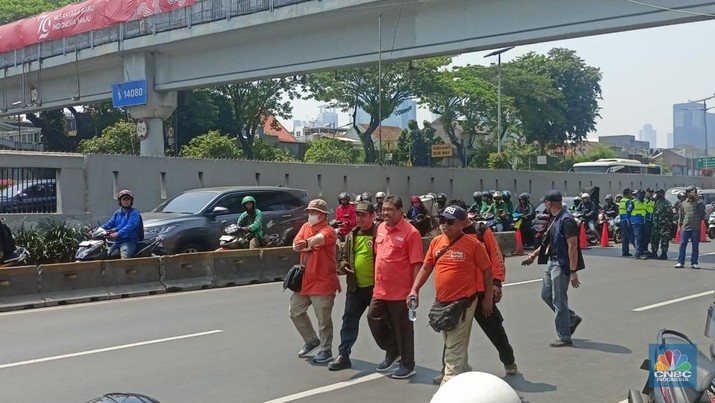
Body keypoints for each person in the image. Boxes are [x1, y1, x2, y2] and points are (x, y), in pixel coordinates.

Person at [432, 199, 518, 383]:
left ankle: (508, 360)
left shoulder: (481, 231)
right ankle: (449, 370)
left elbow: (496, 257)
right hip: (461, 295)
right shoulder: (449, 236)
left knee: (494, 329)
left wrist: (496, 284)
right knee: (452, 331)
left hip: (481, 291)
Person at [409, 205, 492, 385]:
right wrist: (414, 289)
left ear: (462, 224)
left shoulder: (473, 244)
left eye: (450, 222)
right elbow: (426, 267)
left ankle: (450, 381)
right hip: (442, 302)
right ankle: (463, 372)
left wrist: (488, 298)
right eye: (443, 221)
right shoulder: (436, 242)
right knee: (450, 340)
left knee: (454, 345)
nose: (445, 225)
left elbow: (487, 271)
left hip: (463, 303)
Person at [367, 195, 424, 379]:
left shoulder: (411, 233)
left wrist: (414, 290)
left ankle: (408, 364)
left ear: (400, 211)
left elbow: (416, 264)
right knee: (373, 318)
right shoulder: (381, 228)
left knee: (403, 330)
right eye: (384, 209)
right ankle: (393, 350)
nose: (386, 213)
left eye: (390, 210)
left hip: (401, 292)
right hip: (381, 289)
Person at [521, 190, 584, 347]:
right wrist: (534, 255)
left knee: (559, 300)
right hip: (551, 262)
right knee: (546, 295)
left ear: (550, 203)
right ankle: (572, 318)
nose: (544, 205)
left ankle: (564, 336)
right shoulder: (554, 219)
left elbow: (573, 247)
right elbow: (547, 243)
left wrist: (573, 271)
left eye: (545, 203)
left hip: (562, 265)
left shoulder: (566, 220)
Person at [290, 199, 340, 364]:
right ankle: (311, 340)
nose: (311, 215)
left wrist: (307, 244)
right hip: (305, 279)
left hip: (323, 281)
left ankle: (326, 350)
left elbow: (320, 238)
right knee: (295, 311)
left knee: (323, 320)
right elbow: (296, 244)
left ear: (323, 215)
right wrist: (305, 245)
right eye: (310, 212)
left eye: (314, 212)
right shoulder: (305, 227)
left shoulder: (329, 231)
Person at [329, 201, 377, 371]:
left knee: (380, 321)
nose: (360, 218)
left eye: (364, 215)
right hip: (355, 287)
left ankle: (394, 353)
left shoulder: (379, 234)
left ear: (373, 216)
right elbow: (342, 256)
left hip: (376, 288)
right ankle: (343, 354)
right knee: (349, 320)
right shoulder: (352, 235)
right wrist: (343, 265)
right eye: (358, 215)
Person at [101, 189, 142, 259]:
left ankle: (128, 270)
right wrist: (98, 229)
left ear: (131, 201)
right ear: (120, 201)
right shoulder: (117, 213)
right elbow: (109, 224)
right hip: (117, 241)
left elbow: (131, 225)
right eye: (124, 199)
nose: (126, 201)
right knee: (106, 255)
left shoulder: (134, 212)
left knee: (124, 259)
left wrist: (117, 234)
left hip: (129, 241)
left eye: (128, 199)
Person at [676, 186, 705, 269]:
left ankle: (694, 262)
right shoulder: (684, 203)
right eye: (688, 192)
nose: (690, 194)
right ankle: (680, 262)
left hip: (695, 227)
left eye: (691, 192)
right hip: (685, 227)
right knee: (682, 245)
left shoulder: (699, 202)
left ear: (695, 193)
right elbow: (681, 216)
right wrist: (679, 226)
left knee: (695, 246)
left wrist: (697, 199)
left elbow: (702, 211)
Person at [650, 189, 672, 260]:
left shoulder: (667, 203)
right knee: (654, 239)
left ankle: (664, 253)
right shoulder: (656, 202)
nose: (657, 195)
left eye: (658, 193)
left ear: (662, 194)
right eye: (656, 193)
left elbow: (670, 214)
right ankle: (654, 252)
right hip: (655, 224)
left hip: (664, 225)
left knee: (664, 240)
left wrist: (668, 224)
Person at [630, 189, 648, 260]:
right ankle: (638, 253)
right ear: (637, 194)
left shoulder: (645, 202)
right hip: (636, 222)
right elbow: (628, 212)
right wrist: (629, 221)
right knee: (638, 237)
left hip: (643, 221)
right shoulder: (633, 202)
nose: (642, 195)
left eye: (643, 194)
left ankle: (641, 252)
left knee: (643, 238)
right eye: (640, 194)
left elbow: (645, 211)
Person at [619, 189, 634, 257]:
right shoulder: (628, 201)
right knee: (631, 236)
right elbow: (629, 211)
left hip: (622, 220)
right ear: (628, 194)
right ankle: (639, 251)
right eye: (630, 193)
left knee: (625, 237)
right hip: (627, 221)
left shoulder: (622, 200)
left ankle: (625, 251)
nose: (631, 195)